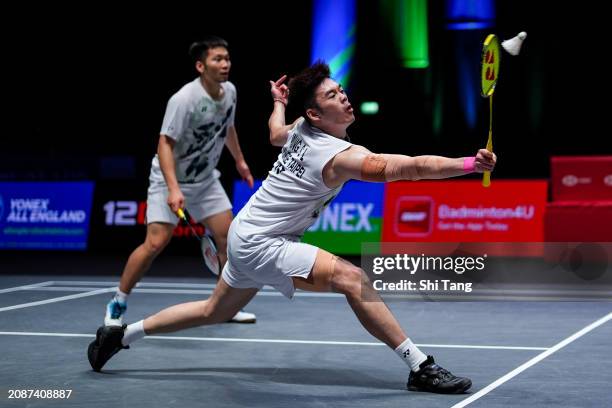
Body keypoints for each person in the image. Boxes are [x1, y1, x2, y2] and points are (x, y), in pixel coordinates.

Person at [89, 61, 497, 394]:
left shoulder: (299, 130)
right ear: (316, 114)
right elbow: (409, 167)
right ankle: (419, 366)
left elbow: (273, 133)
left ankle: (122, 334)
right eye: (332, 95)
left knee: (215, 310)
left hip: (247, 231)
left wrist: (278, 102)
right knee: (353, 279)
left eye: (341, 90)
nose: (344, 96)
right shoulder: (340, 156)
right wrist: (467, 164)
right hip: (264, 241)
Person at [103, 35, 256, 326]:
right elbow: (164, 144)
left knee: (228, 238)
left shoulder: (231, 91)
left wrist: (240, 161)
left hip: (206, 180)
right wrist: (173, 188)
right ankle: (118, 302)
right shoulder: (184, 99)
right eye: (217, 59)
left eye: (227, 58)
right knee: (155, 243)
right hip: (168, 178)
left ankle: (225, 306)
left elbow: (228, 128)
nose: (225, 64)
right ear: (201, 66)